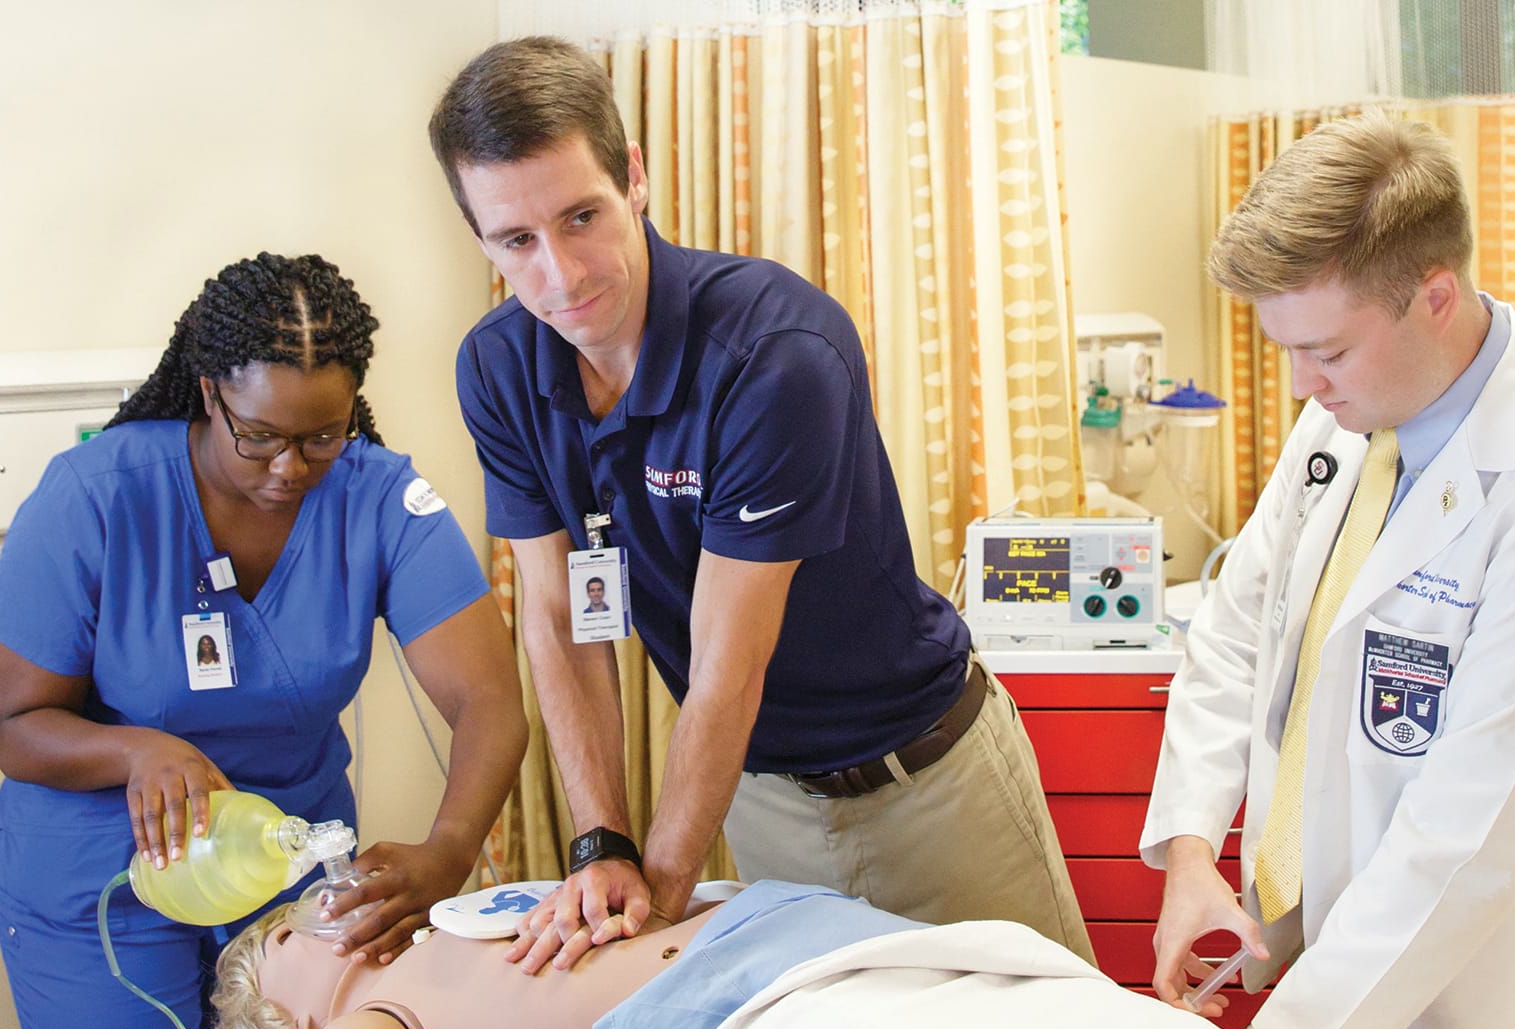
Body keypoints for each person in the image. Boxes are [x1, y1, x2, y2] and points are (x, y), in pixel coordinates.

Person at [429, 36, 1091, 973]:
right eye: (517, 241)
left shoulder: (773, 354)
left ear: (638, 179)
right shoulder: (497, 368)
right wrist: (602, 847)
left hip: (929, 785)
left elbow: (728, 668)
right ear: (480, 237)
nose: (562, 276)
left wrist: (651, 900)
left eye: (582, 217)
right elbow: (557, 618)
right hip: (759, 797)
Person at [1141, 113, 1515, 1029]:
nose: (1304, 383)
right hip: (1337, 970)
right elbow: (1233, 637)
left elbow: (1467, 836)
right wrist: (1189, 855)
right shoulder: (1344, 423)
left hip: (1497, 1018)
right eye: (1289, 351)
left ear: (1436, 296)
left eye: (1330, 352)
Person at [0, 252, 530, 1029]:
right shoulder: (96, 495)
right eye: (260, 436)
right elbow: (16, 727)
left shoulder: (379, 498)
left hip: (290, 869)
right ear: (209, 395)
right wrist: (137, 750)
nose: (290, 469)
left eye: (322, 436)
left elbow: (491, 702)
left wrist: (449, 847)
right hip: (106, 880)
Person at [213, 880, 1305, 1029]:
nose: (316, 914)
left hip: (799, 947)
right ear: (281, 1020)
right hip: (749, 1007)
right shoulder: (362, 1023)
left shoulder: (431, 940)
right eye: (283, 938)